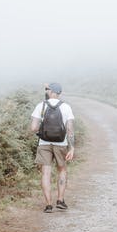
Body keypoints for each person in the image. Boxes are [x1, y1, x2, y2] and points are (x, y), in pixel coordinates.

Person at [30, 82, 75, 213]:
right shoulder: (66, 107)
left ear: (51, 91)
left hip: (44, 143)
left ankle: (48, 205)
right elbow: (70, 129)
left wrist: (42, 129)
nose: (46, 91)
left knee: (46, 173)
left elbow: (33, 128)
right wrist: (72, 148)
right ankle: (60, 200)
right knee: (62, 170)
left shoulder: (41, 105)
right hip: (61, 143)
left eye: (47, 89)